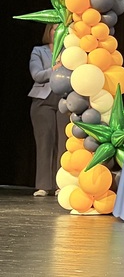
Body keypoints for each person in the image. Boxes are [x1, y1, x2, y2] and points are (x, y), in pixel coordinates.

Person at [28, 24, 69, 196]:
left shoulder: (70, 51)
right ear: (49, 32)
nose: (57, 31)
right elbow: (36, 75)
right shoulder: (39, 51)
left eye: (61, 28)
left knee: (63, 144)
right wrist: (54, 69)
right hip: (43, 99)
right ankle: (44, 186)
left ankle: (62, 185)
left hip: (64, 99)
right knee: (45, 143)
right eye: (54, 29)